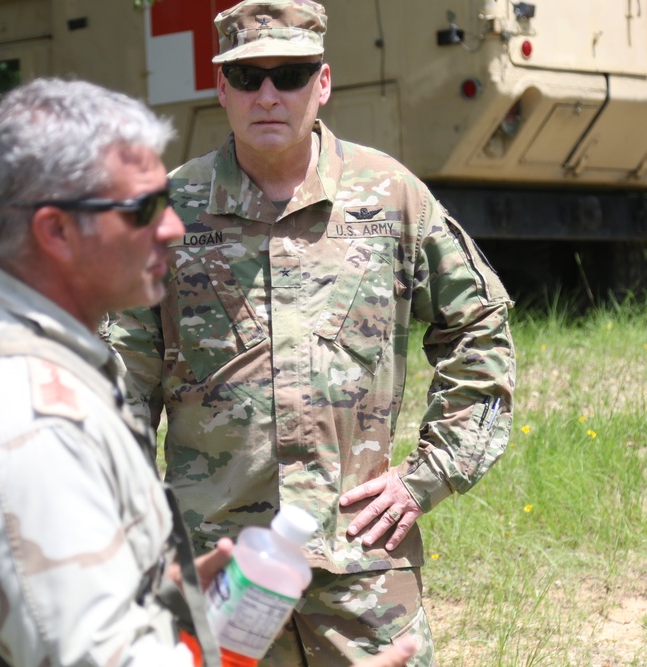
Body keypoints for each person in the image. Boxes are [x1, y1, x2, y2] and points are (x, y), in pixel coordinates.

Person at [0, 77, 417, 667]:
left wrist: (167, 600)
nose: (174, 228)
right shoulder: (31, 422)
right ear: (54, 231)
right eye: (143, 208)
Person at [105, 1, 517, 665]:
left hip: (360, 570)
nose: (268, 94)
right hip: (218, 564)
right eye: (247, 77)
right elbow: (118, 379)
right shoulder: (170, 213)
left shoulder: (389, 197)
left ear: (322, 83)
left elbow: (481, 324)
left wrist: (429, 473)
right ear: (221, 88)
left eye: (290, 73)